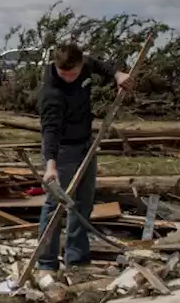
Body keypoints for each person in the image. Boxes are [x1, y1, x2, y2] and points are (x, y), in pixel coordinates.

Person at [36, 44, 131, 282]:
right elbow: (50, 131)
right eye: (63, 73)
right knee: (56, 205)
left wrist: (117, 75)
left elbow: (99, 64)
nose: (67, 78)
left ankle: (77, 259)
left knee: (84, 201)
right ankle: (46, 262)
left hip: (86, 142)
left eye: (73, 73)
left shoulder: (85, 63)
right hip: (62, 150)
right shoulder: (52, 93)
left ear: (80, 65)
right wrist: (51, 165)